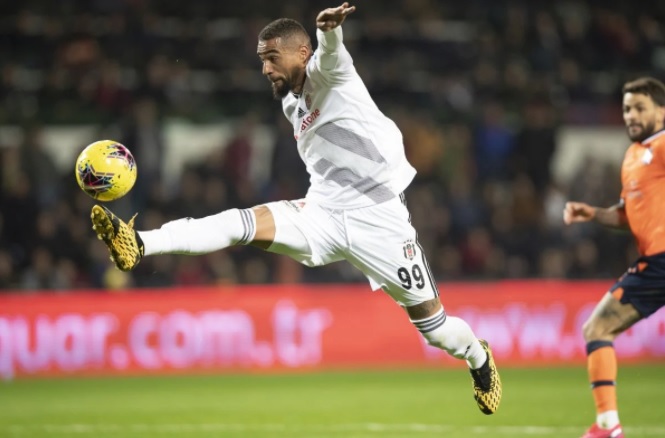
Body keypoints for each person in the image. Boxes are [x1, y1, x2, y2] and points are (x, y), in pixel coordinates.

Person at [90, 3, 502, 415]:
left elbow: (332, 51)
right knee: (240, 223)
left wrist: (328, 31)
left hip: (379, 220)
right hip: (321, 214)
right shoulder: (292, 104)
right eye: (261, 60)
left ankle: (478, 357)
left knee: (437, 332)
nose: (265, 68)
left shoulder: (331, 73)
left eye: (272, 57)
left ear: (302, 54)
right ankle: (139, 244)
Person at [564, 76, 665, 438]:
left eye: (639, 108)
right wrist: (593, 213)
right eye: (626, 109)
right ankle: (608, 425)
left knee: (597, 328)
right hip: (655, 265)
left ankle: (608, 427)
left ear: (662, 111)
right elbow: (628, 214)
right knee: (597, 329)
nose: (631, 115)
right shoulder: (633, 156)